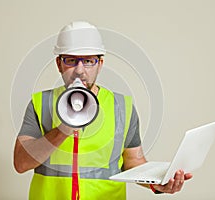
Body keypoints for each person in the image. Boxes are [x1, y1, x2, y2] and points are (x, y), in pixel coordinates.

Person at [13, 21, 193, 200]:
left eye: (89, 61)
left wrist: (157, 182)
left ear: (100, 64)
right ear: (59, 64)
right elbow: (21, 163)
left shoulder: (122, 107)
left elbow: (133, 162)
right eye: (70, 61)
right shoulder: (40, 103)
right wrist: (63, 129)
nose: (80, 70)